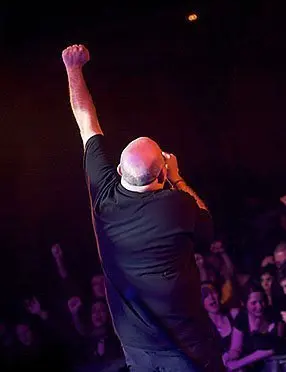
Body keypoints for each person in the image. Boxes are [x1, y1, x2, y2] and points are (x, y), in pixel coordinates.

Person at [62, 44, 223, 371]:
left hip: (139, 353)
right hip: (188, 350)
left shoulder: (103, 193)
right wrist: (178, 178)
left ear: (119, 170)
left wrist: (72, 69)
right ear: (162, 173)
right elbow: (207, 227)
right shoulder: (175, 204)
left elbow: (86, 121)